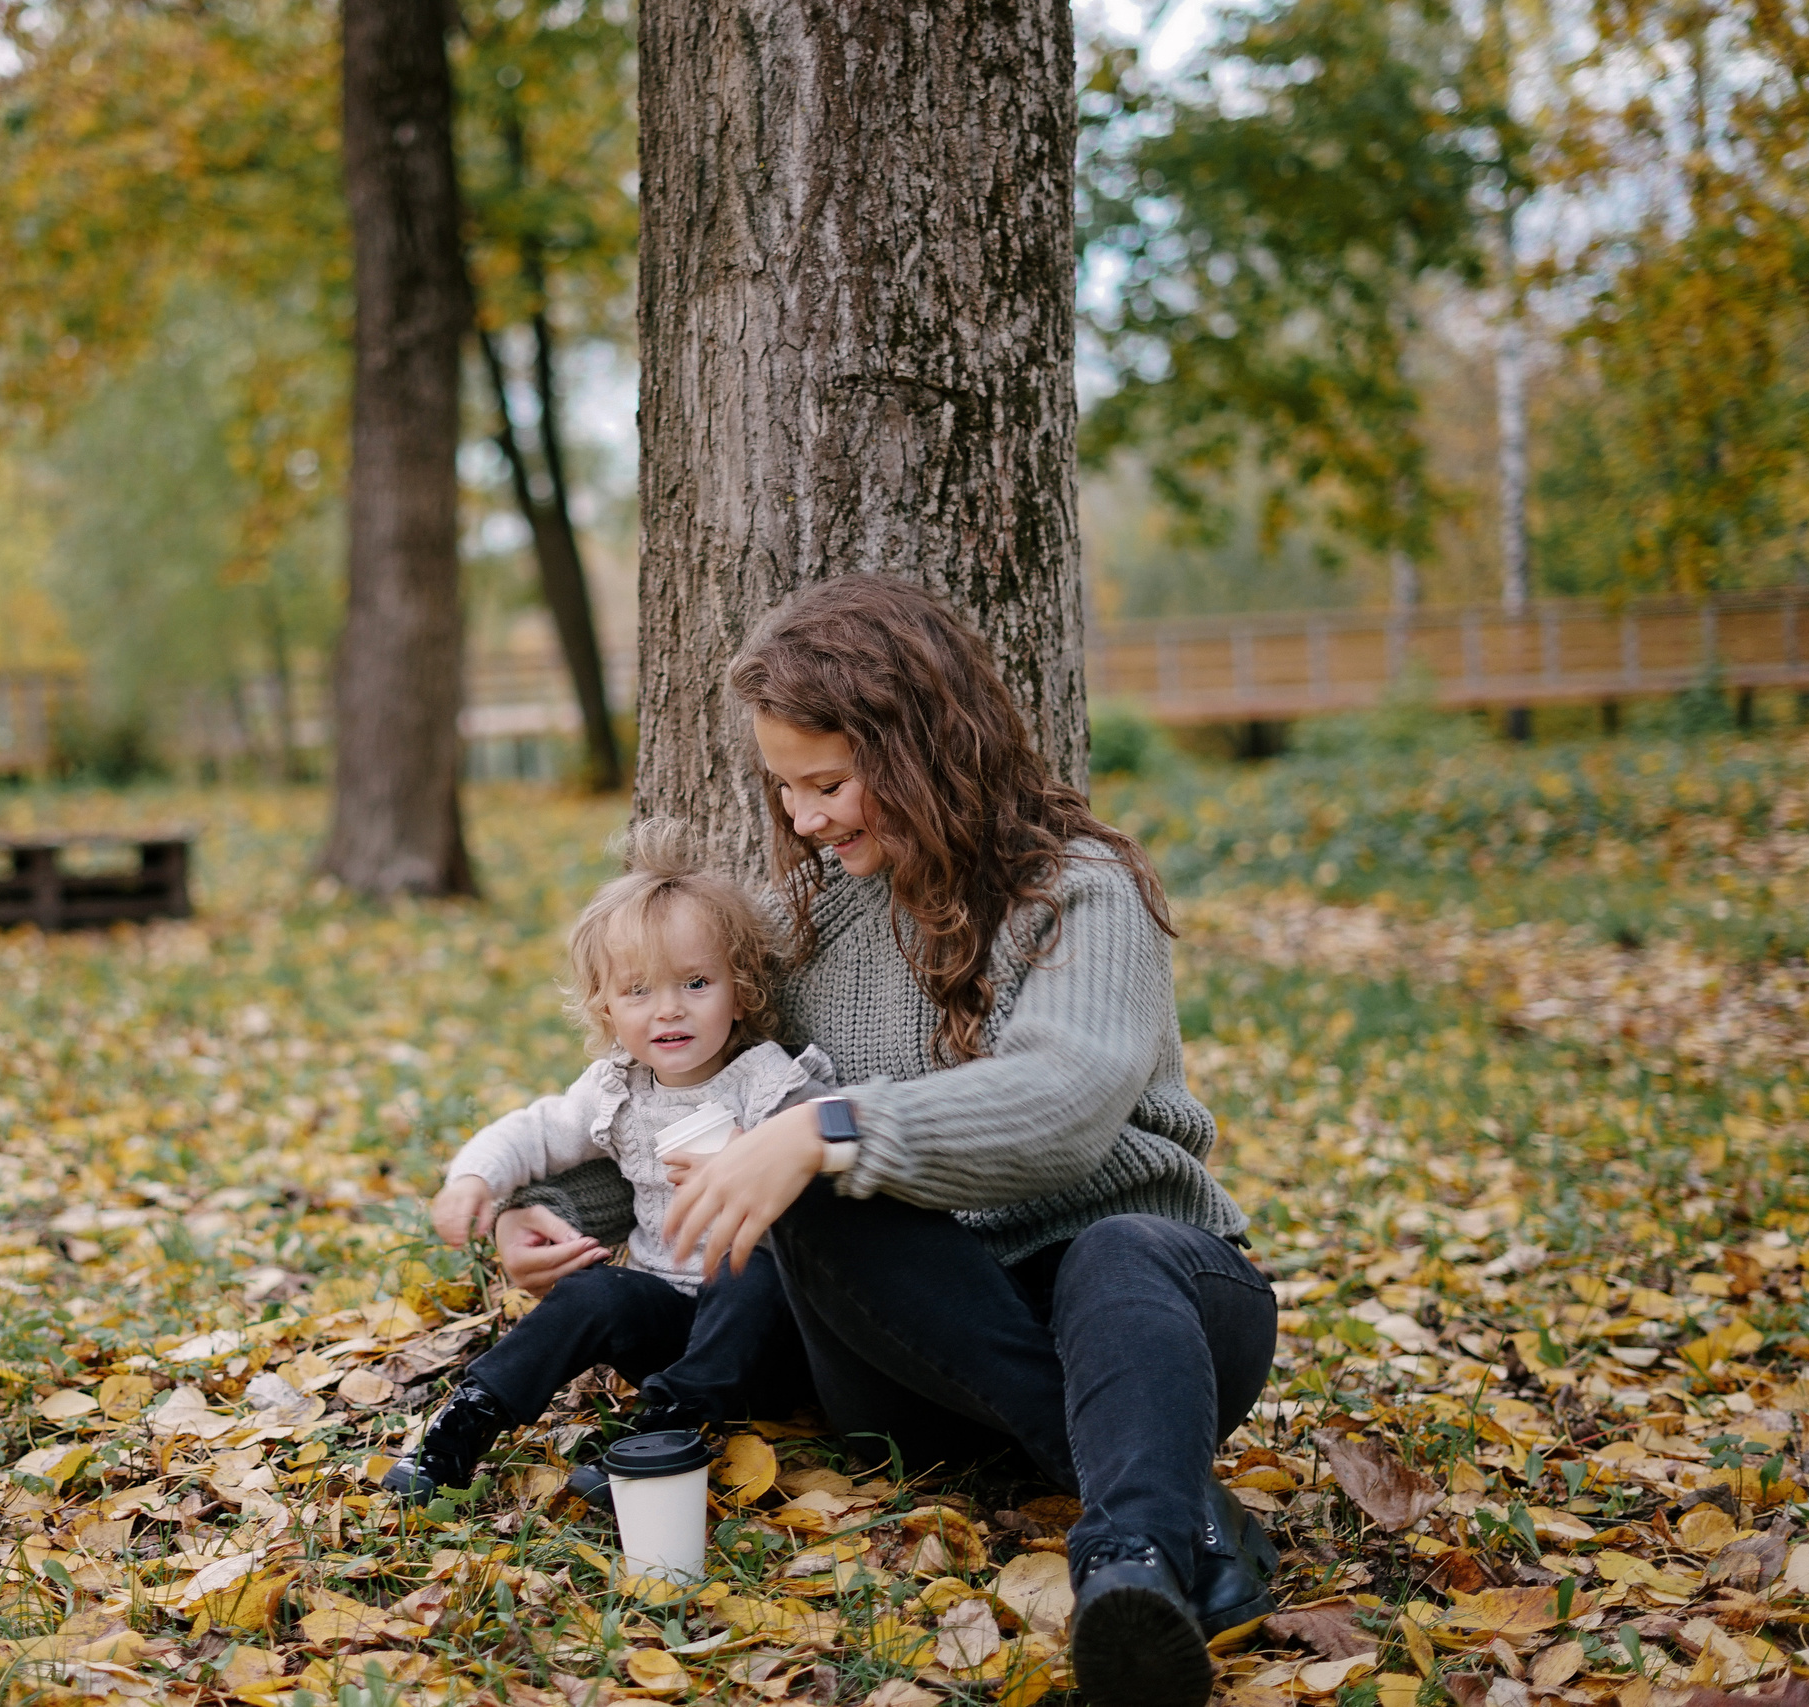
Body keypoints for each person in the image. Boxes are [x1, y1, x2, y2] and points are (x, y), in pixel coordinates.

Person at [497, 580, 1278, 1707]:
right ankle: (1177, 1521)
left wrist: (832, 1127)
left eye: (827, 783)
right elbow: (696, 1094)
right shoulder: (810, 919)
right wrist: (566, 1218)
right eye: (785, 788)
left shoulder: (1080, 894)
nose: (805, 817)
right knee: (807, 1185)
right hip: (917, 1363)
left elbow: (1064, 1105)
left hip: (1158, 1333)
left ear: (923, 747)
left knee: (1117, 1249)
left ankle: (1127, 1575)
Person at [384, 821, 830, 1506]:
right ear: (607, 1007)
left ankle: (669, 1432)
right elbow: (534, 1132)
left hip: (769, 1334)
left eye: (696, 982)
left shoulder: (765, 1081)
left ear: (739, 989)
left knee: (751, 1266)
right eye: (639, 991)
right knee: (600, 1290)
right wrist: (472, 1178)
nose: (669, 1009)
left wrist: (764, 1152)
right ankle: (468, 1418)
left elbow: (838, 1149)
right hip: (668, 1327)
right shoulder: (617, 1087)